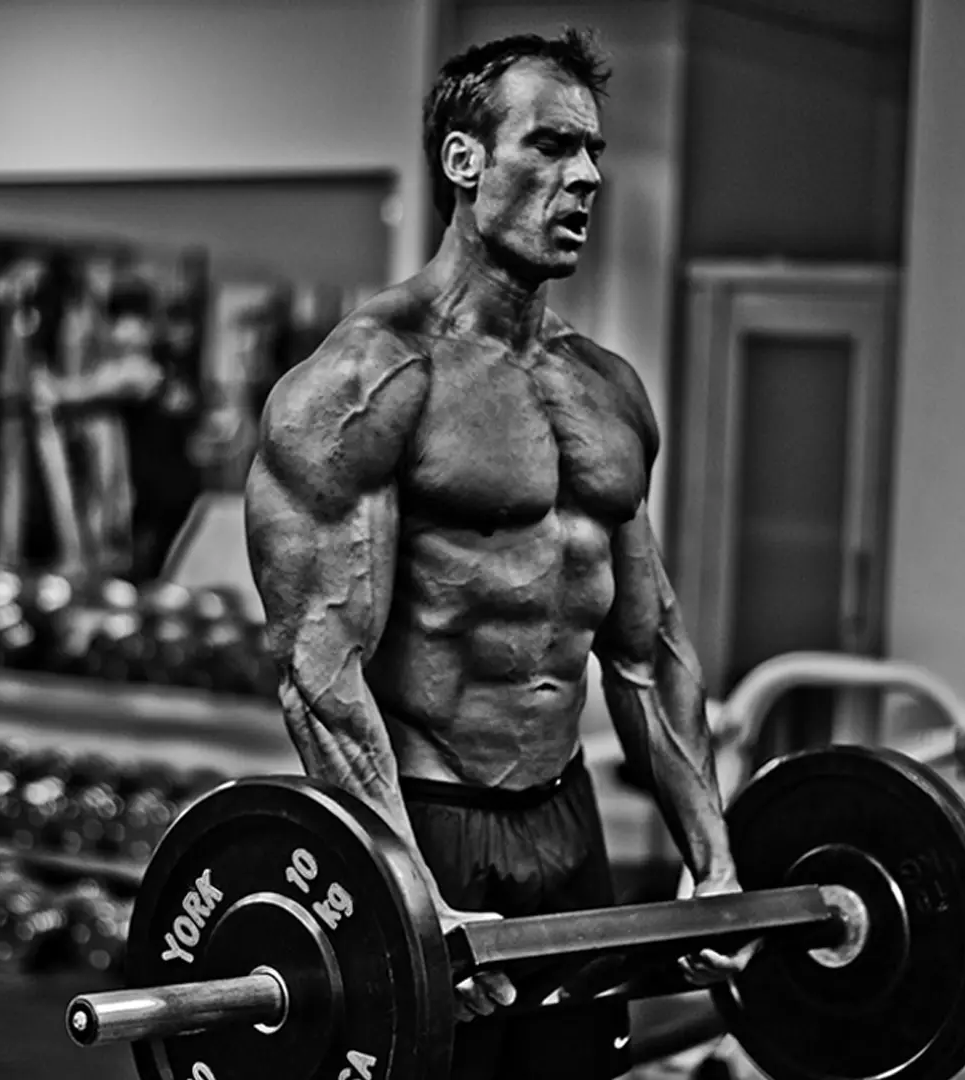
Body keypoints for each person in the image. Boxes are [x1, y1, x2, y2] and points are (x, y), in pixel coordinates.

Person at [245, 28, 754, 1080]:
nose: (587, 177)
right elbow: (320, 670)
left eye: (596, 154)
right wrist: (402, 888)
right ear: (465, 161)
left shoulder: (608, 391)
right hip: (425, 822)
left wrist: (712, 857)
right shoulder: (366, 386)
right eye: (553, 145)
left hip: (568, 826)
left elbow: (648, 650)